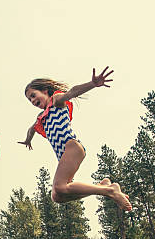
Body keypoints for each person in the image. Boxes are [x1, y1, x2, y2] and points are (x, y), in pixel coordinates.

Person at [18, 68, 132, 211]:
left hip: (71, 146)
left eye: (34, 95)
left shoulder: (56, 101)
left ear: (45, 91)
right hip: (64, 154)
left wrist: (92, 84)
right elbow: (32, 129)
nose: (33, 100)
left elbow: (72, 92)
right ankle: (102, 188)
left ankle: (110, 191)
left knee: (59, 186)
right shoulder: (41, 118)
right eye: (30, 99)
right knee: (57, 196)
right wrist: (28, 140)